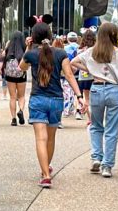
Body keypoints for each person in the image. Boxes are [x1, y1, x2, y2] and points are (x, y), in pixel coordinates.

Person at [20, 22, 86, 188]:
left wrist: (28, 48)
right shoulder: (60, 53)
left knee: (40, 139)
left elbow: (21, 68)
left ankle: (46, 175)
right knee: (50, 138)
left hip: (38, 99)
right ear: (50, 36)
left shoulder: (32, 54)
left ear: (33, 38)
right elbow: (69, 75)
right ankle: (45, 169)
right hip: (57, 100)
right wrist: (79, 96)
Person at [70, 23, 118, 178]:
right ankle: (107, 165)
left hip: (96, 88)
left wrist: (91, 70)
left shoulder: (91, 52)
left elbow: (73, 63)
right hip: (114, 90)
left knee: (96, 126)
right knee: (112, 130)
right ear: (114, 35)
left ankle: (96, 157)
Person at [2, 31, 27, 126]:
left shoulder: (8, 49)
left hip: (10, 75)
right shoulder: (24, 49)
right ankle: (21, 110)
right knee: (21, 96)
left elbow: (2, 58)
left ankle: (13, 118)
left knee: (12, 97)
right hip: (21, 75)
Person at [76, 29, 96, 125]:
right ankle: (95, 118)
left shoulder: (80, 50)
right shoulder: (95, 50)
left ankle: (90, 118)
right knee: (94, 99)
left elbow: (76, 62)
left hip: (83, 76)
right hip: (94, 76)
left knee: (86, 99)